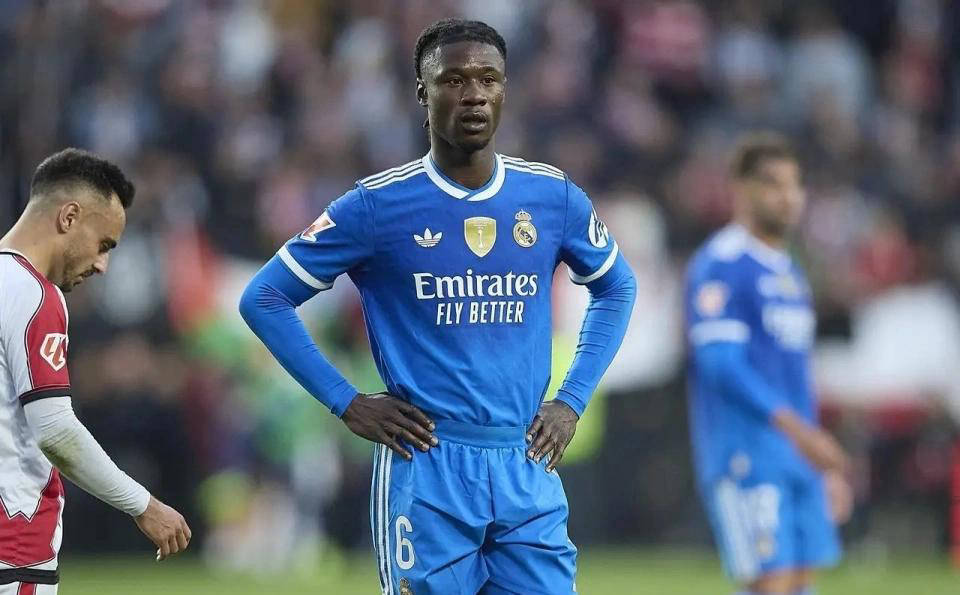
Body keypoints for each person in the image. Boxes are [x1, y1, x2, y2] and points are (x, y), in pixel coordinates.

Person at [240, 17, 636, 595]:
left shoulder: (552, 197)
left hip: (525, 460)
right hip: (426, 465)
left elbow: (617, 287)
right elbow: (265, 297)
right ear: (422, 94)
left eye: (488, 79)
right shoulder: (376, 206)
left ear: (505, 90)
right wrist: (345, 402)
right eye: (454, 80)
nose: (473, 93)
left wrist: (572, 401)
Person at [0, 149, 191, 595]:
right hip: (14, 548)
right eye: (104, 244)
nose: (102, 265)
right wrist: (144, 505)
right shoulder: (34, 295)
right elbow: (56, 431)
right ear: (69, 217)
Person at [685, 133, 853, 595]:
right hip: (746, 450)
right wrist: (802, 433)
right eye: (774, 184)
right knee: (770, 582)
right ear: (742, 189)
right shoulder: (722, 263)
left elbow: (796, 375)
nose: (789, 196)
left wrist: (820, 457)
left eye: (795, 184)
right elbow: (720, 365)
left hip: (797, 452)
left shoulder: (789, 270)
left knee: (800, 580)